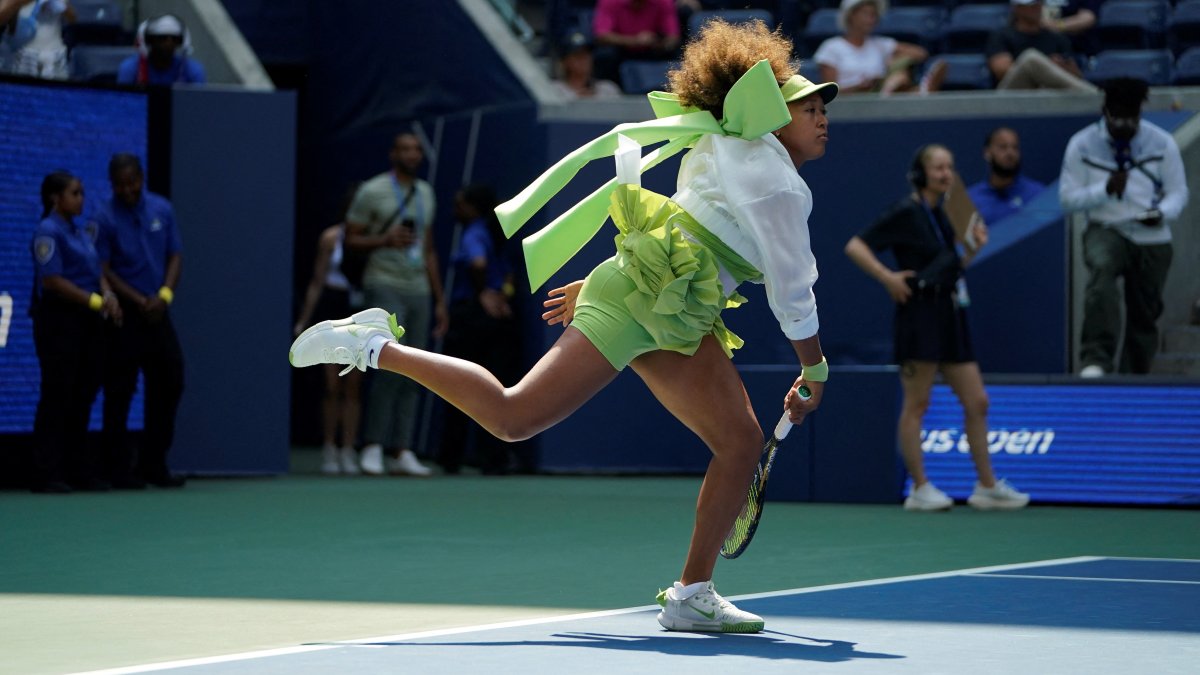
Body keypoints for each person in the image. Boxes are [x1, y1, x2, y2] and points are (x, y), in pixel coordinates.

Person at [293, 18, 833, 633]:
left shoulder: (721, 143)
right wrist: (813, 365)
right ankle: (375, 345)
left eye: (823, 108)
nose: (821, 117)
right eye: (806, 106)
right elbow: (793, 288)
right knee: (522, 417)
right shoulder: (776, 183)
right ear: (770, 110)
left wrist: (614, 277)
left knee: (714, 441)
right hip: (652, 299)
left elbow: (689, 220)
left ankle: (693, 594)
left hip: (656, 297)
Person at [844, 144, 1030, 512]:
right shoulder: (905, 211)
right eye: (939, 167)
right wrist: (887, 277)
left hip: (951, 312)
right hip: (919, 314)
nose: (946, 174)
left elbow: (954, 263)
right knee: (918, 403)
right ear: (921, 173)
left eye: (950, 167)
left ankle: (986, 487)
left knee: (977, 401)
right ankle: (920, 488)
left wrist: (974, 248)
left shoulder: (947, 213)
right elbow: (855, 246)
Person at [1059, 78, 1189, 377]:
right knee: (1102, 274)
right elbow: (1067, 199)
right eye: (1118, 117)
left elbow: (1178, 192)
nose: (1125, 124)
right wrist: (1104, 190)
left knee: (1146, 309)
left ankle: (1135, 373)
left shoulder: (1162, 143)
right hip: (1107, 226)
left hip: (1153, 234)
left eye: (1132, 118)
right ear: (1105, 111)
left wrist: (1162, 213)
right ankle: (1096, 360)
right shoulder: (1081, 144)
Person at [343, 132, 446, 477]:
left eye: (417, 149)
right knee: (387, 364)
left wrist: (440, 300)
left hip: (418, 287)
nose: (412, 155)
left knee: (418, 369)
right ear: (392, 154)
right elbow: (350, 239)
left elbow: (429, 249)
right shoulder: (372, 191)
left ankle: (402, 450)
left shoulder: (427, 193)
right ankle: (372, 445)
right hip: (383, 282)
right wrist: (384, 240)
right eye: (404, 149)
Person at [94, 154, 186, 489]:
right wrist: (136, 299)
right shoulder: (104, 217)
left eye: (131, 182)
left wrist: (164, 295)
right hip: (126, 315)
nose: (127, 189)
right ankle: (118, 469)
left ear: (142, 178)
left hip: (158, 310)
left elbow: (175, 255)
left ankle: (154, 464)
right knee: (120, 391)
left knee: (171, 381)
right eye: (119, 184)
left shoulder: (162, 208)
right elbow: (103, 269)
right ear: (111, 184)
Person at [29, 170, 122, 493]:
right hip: (59, 322)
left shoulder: (81, 233)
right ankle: (46, 472)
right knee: (57, 394)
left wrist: (108, 295)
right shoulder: (48, 231)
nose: (81, 198)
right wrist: (96, 301)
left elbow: (98, 271)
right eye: (74, 193)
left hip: (87, 323)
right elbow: (52, 281)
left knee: (83, 395)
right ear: (56, 198)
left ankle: (77, 469)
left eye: (81, 192)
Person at [437, 183, 523, 475]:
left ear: (473, 208)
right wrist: (502, 295)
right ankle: (493, 458)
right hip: (498, 320)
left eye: (460, 205)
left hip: (472, 319)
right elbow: (508, 275)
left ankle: (451, 459)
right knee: (498, 387)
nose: (455, 211)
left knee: (456, 387)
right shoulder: (497, 235)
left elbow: (477, 262)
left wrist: (484, 293)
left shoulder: (474, 232)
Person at [294, 184, 365, 475]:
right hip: (332, 310)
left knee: (353, 385)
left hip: (359, 312)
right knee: (332, 383)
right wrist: (304, 320)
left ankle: (348, 450)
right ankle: (329, 448)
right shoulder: (330, 238)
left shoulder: (371, 240)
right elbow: (317, 281)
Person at [813, 0, 941, 96]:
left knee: (900, 74)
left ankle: (911, 91)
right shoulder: (830, 47)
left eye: (874, 15)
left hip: (879, 97)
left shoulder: (881, 44)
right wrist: (858, 87)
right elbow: (829, 94)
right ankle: (919, 92)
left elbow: (921, 53)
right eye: (866, 14)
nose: (871, 19)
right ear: (851, 16)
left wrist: (895, 60)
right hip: (849, 104)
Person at [985, 0, 1093, 92]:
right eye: (1031, 4)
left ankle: (1090, 98)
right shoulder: (1002, 35)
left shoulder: (1056, 37)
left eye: (1038, 3)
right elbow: (1002, 71)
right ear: (1017, 8)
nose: (1036, 7)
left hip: (1049, 94)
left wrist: (1063, 67)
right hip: (1014, 96)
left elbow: (1074, 75)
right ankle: (1092, 96)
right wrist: (1047, 67)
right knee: (1031, 59)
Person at [966, 126, 1046, 226]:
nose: (1010, 153)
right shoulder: (971, 199)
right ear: (987, 153)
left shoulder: (1038, 194)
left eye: (1015, 147)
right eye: (1003, 147)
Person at [592, 0, 681, 86]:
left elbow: (673, 37)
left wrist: (658, 43)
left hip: (652, 49)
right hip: (621, 49)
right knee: (605, 54)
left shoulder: (663, 2)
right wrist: (635, 41)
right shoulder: (610, 1)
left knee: (677, 52)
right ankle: (611, 92)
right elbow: (602, 35)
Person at [116, 14, 206, 87]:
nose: (168, 43)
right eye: (162, 38)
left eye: (174, 39)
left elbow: (198, 104)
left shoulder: (192, 70)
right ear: (149, 41)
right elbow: (123, 102)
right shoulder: (130, 68)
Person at [4, 0, 73, 80]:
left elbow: (73, 19)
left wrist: (61, 7)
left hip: (54, 55)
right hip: (25, 54)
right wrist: (18, 3)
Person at [552, 30, 623, 100]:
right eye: (577, 56)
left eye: (587, 54)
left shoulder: (607, 89)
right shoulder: (555, 90)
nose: (583, 60)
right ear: (565, 61)